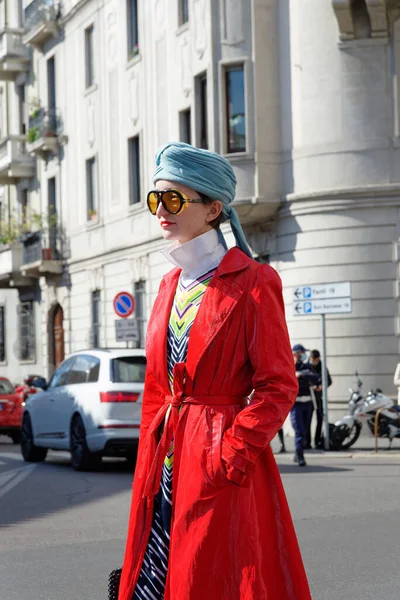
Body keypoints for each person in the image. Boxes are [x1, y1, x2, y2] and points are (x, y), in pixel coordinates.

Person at [118, 142, 312, 600]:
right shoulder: (168, 284)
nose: (161, 210)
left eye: (173, 199)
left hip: (218, 460)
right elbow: (156, 388)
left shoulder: (254, 282)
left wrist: (231, 453)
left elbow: (278, 384)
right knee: (157, 575)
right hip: (165, 459)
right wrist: (148, 455)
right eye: (155, 199)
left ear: (213, 209)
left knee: (213, 577)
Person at [290, 344, 320, 466]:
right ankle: (300, 456)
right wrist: (297, 375)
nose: (303, 355)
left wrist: (302, 374)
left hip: (308, 404)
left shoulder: (306, 366)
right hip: (296, 404)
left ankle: (298, 453)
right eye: (301, 353)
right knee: (299, 431)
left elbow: (316, 377)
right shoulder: (289, 366)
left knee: (305, 431)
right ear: (296, 353)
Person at [309, 349, 332, 449]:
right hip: (310, 398)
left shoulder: (322, 367)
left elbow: (329, 381)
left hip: (319, 398)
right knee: (307, 421)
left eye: (316, 359)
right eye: (313, 359)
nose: (314, 361)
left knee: (320, 419)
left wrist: (322, 386)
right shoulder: (307, 367)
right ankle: (307, 442)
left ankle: (317, 440)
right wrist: (312, 386)